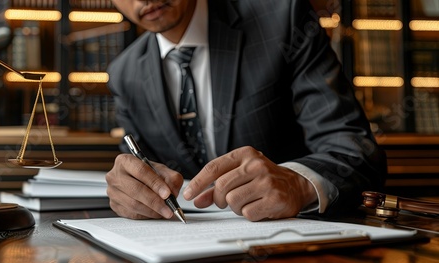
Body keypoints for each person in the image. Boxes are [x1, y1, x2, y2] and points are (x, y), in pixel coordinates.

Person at [105, 0, 387, 222]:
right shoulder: (124, 73)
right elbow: (141, 170)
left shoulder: (283, 19)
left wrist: (298, 185)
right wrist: (131, 190)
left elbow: (356, 150)